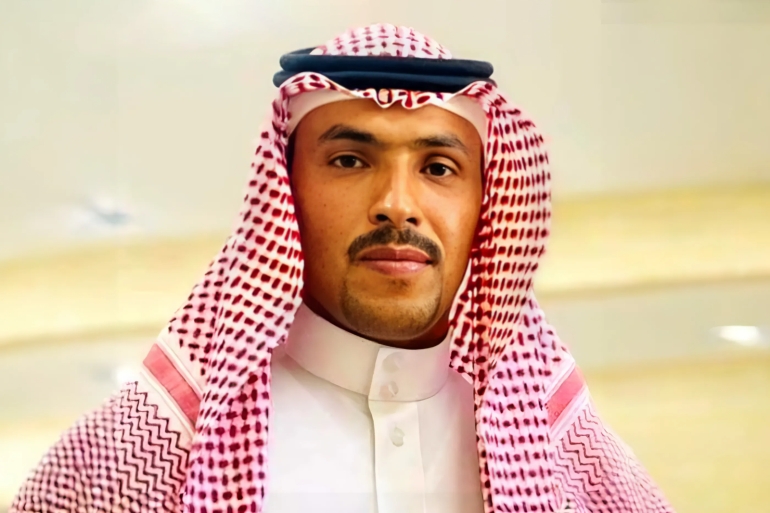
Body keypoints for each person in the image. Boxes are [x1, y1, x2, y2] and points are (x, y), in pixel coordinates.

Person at [11, 24, 674, 513]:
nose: (397, 204)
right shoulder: (123, 465)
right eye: (350, 161)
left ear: (486, 203)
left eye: (439, 167)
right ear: (285, 192)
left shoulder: (569, 464)